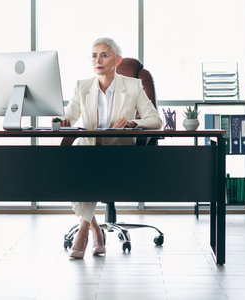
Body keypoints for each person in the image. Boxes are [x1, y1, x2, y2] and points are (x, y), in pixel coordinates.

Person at [61, 37, 162, 258]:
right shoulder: (82, 87)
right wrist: (62, 120)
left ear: (118, 60)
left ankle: (85, 230)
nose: (98, 60)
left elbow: (155, 120)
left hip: (119, 155)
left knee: (85, 170)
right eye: (94, 55)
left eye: (104, 55)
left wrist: (133, 122)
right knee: (70, 166)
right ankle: (95, 229)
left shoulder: (133, 86)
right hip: (88, 153)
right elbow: (69, 116)